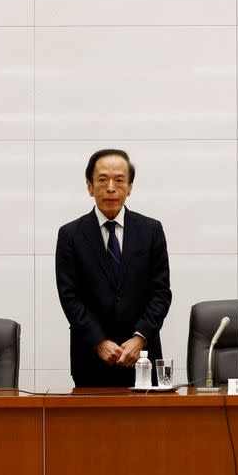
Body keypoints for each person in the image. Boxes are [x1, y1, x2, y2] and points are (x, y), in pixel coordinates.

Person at [55, 149, 171, 387]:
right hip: (90, 358)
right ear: (89, 186)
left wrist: (139, 339)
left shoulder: (151, 231)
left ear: (129, 187)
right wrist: (99, 341)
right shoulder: (70, 235)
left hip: (143, 357)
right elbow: (70, 297)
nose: (111, 187)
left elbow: (160, 292)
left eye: (119, 180)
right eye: (102, 180)